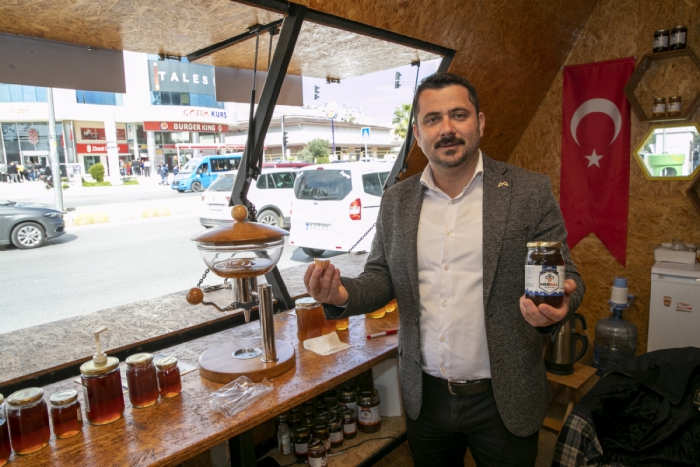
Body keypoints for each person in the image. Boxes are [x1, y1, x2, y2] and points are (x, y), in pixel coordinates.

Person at [304, 73, 585, 467]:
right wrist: (341, 294)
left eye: (459, 115)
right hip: (427, 399)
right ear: (418, 133)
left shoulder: (528, 192)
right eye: (433, 119)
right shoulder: (396, 202)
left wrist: (561, 305)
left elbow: (567, 276)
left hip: (505, 396)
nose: (447, 129)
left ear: (479, 123)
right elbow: (382, 276)